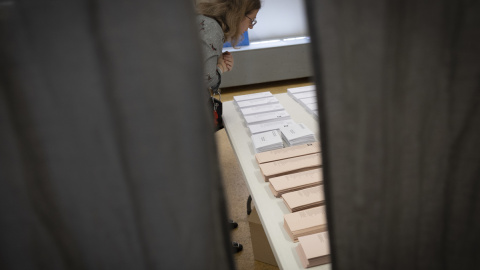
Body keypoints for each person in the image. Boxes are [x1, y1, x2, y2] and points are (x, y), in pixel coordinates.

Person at [196, 0, 262, 254]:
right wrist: (219, 69)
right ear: (237, 13)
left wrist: (215, 64)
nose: (250, 27)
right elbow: (203, 76)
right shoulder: (211, 28)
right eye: (251, 19)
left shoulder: (203, 20)